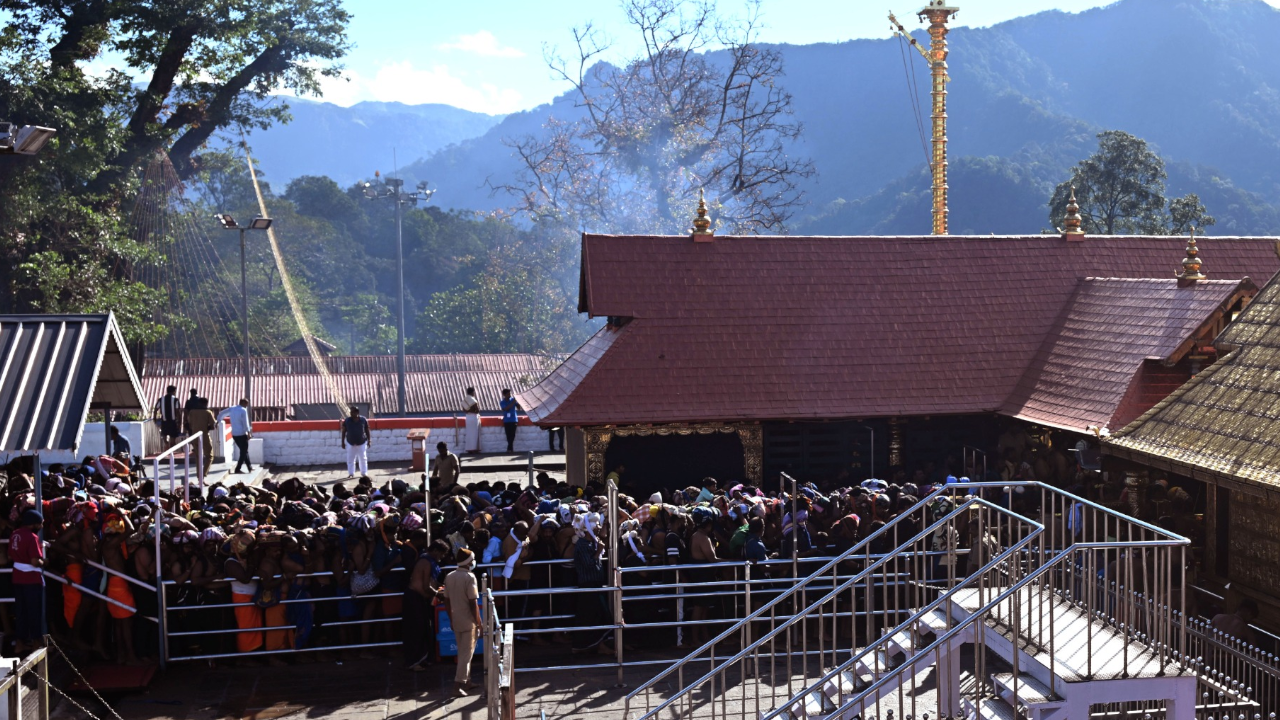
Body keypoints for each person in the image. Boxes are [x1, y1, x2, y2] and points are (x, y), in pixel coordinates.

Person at [403, 535, 446, 671]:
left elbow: (432, 583)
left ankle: (423, 658)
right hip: (415, 598)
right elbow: (426, 586)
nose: (442, 557)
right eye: (442, 554)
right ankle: (413, 662)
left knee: (425, 630)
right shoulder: (426, 562)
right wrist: (439, 594)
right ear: (436, 551)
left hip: (422, 599)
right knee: (416, 630)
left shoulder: (430, 561)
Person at [443, 548, 481, 697]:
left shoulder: (450, 576)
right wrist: (479, 622)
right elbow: (473, 603)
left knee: (464, 653)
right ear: (469, 562)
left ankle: (468, 682)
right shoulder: (470, 577)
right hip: (468, 621)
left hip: (456, 620)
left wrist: (451, 619)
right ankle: (457, 686)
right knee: (466, 655)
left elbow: (446, 600)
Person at [10, 510, 45, 655]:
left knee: (21, 612)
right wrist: (45, 561)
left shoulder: (14, 534)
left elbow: (10, 554)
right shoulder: (32, 537)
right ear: (35, 523)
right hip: (31, 578)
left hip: (17, 577)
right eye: (41, 523)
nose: (42, 526)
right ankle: (37, 643)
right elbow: (35, 561)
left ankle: (20, 644)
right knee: (34, 611)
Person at [217, 399, 253, 474]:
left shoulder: (232, 408)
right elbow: (245, 422)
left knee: (244, 451)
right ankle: (238, 469)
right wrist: (249, 432)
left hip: (234, 434)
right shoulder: (243, 410)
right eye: (246, 404)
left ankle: (249, 467)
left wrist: (218, 420)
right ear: (243, 403)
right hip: (242, 434)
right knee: (243, 452)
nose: (247, 406)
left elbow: (222, 413)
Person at [185, 397, 218, 476]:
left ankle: (199, 475)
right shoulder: (208, 412)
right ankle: (203, 474)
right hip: (205, 436)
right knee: (209, 456)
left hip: (194, 436)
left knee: (198, 457)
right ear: (206, 403)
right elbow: (213, 426)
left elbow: (189, 423)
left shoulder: (192, 412)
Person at [340, 406, 371, 478]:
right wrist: (342, 442)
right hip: (350, 442)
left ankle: (364, 473)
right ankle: (351, 473)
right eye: (351, 412)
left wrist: (369, 440)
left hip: (362, 442)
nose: (351, 413)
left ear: (357, 412)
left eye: (353, 412)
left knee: (363, 458)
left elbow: (367, 430)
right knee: (350, 459)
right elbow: (343, 432)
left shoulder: (363, 420)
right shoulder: (347, 421)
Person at [155, 385, 181, 449]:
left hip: (164, 420)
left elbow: (156, 409)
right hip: (173, 421)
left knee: (164, 433)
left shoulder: (161, 399)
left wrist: (154, 418)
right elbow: (178, 411)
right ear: (174, 391)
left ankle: (166, 443)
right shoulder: (175, 399)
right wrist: (180, 422)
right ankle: (171, 447)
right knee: (173, 437)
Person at [500, 389, 520, 454]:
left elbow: (518, 408)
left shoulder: (512, 400)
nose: (509, 395)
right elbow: (506, 409)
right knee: (508, 435)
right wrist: (513, 402)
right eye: (508, 394)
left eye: (509, 394)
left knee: (513, 434)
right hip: (506, 420)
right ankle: (510, 449)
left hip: (513, 419)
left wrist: (518, 403)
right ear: (504, 395)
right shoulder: (502, 402)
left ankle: (509, 448)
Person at [463, 387, 481, 454]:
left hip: (468, 417)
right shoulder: (473, 400)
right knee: (475, 434)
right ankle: (475, 448)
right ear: (472, 392)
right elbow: (477, 410)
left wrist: (469, 410)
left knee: (469, 433)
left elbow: (464, 410)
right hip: (474, 417)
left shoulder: (465, 400)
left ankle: (469, 449)